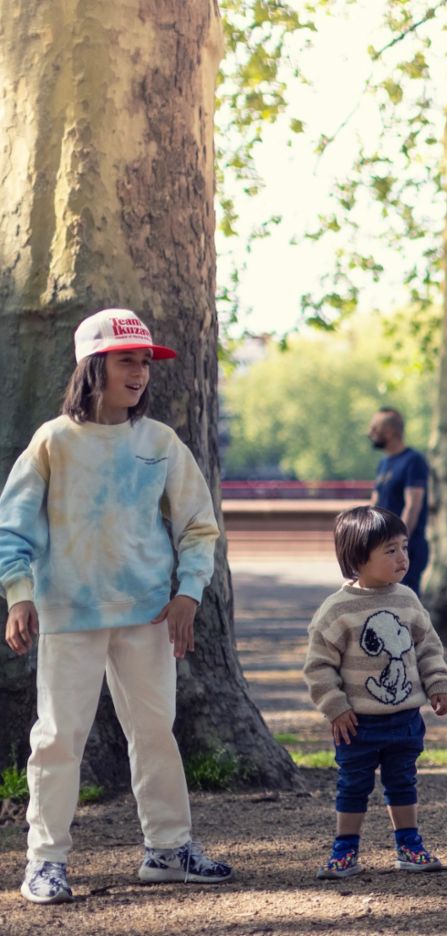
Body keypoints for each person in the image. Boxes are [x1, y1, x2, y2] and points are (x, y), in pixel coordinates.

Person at [1, 308, 233, 904]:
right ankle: (44, 861)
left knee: (156, 731)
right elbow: (14, 528)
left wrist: (187, 594)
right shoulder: (52, 441)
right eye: (128, 360)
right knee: (57, 738)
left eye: (146, 362)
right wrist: (19, 595)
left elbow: (198, 528)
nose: (141, 373)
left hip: (149, 616)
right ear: (93, 366)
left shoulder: (161, 442)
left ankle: (168, 849)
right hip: (69, 615)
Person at [303, 505, 447, 879]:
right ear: (358, 557)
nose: (402, 557)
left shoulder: (407, 599)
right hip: (356, 724)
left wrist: (438, 684)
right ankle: (345, 850)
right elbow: (319, 665)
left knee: (403, 781)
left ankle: (408, 844)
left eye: (404, 547)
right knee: (353, 785)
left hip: (404, 718)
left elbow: (428, 647)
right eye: (390, 550)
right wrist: (335, 707)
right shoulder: (337, 610)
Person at [367, 407, 430, 594]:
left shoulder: (414, 460)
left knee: (404, 605)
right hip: (382, 546)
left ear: (390, 432)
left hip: (407, 548)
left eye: (374, 429)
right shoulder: (384, 463)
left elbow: (413, 505)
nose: (370, 434)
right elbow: (375, 502)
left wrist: (397, 544)